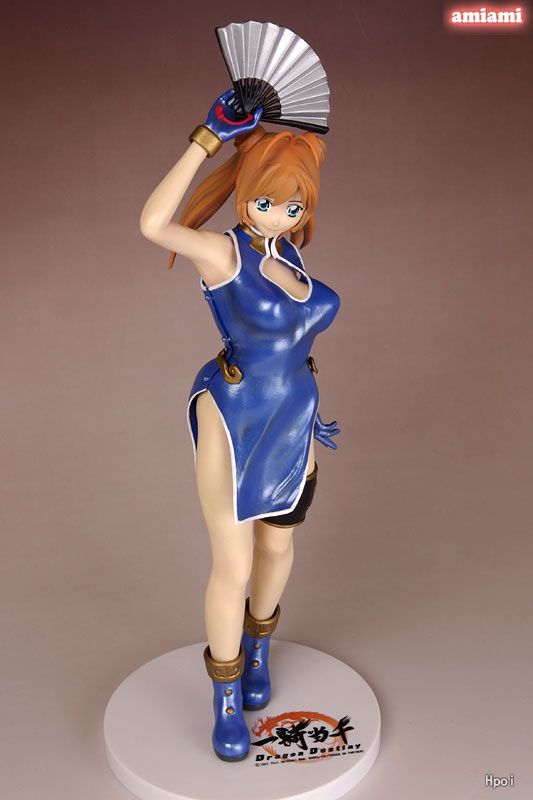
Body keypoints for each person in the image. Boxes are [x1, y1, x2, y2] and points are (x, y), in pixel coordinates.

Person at [139, 89, 341, 761]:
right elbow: (153, 224)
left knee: (278, 549)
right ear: (246, 192)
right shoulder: (222, 255)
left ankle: (258, 652)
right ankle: (225, 699)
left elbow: (295, 344)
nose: (279, 214)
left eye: (293, 206)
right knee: (233, 562)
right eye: (266, 201)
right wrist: (206, 139)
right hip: (234, 415)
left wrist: (309, 414)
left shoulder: (291, 255)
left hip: (294, 417)